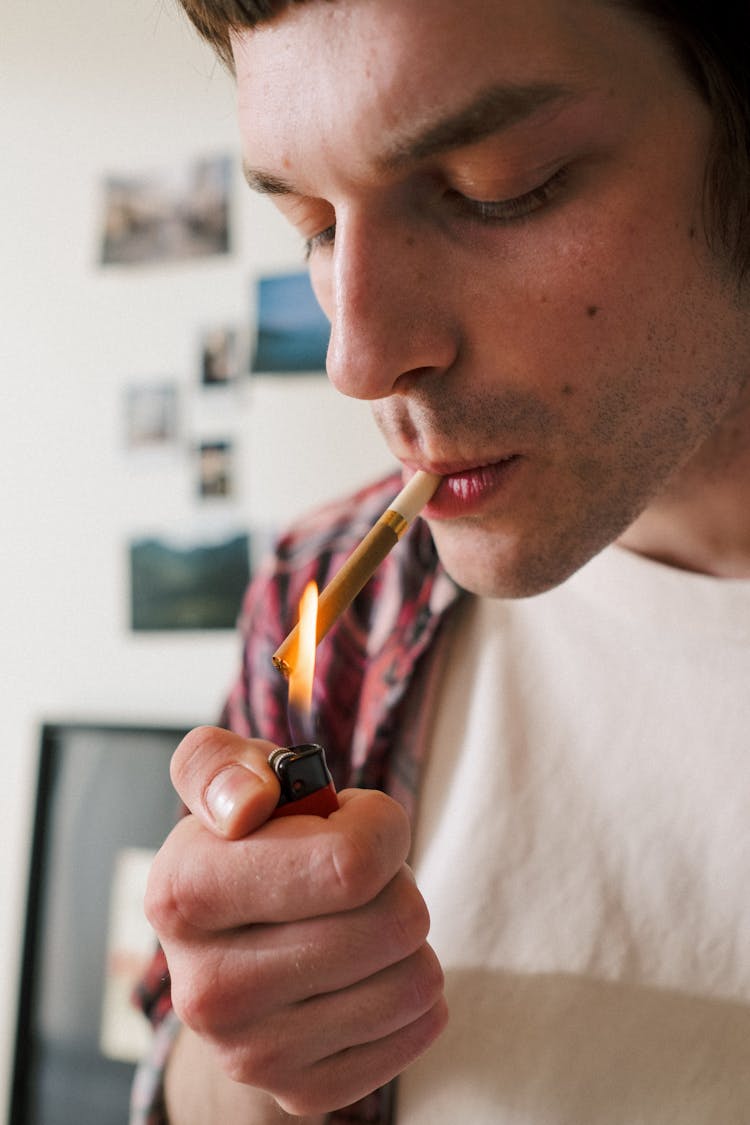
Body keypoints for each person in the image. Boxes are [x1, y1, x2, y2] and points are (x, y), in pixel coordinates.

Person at [131, 1, 750, 1122]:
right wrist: (252, 1055)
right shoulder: (329, 599)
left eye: (493, 187)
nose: (357, 359)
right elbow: (181, 1075)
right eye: (315, 226)